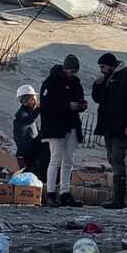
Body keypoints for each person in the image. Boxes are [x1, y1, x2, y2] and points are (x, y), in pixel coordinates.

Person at [91, 52, 127, 210]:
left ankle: (120, 200)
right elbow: (98, 99)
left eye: (103, 67)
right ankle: (117, 198)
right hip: (108, 127)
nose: (102, 70)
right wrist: (98, 85)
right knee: (112, 159)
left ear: (111, 65)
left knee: (117, 159)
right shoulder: (108, 78)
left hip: (121, 127)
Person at [40, 54, 87, 207]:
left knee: (68, 161)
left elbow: (80, 97)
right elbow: (46, 104)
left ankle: (65, 192)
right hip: (55, 126)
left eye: (75, 72)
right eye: (71, 71)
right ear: (65, 68)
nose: (72, 74)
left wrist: (81, 105)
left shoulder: (75, 83)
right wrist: (67, 106)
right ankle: (51, 193)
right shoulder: (52, 82)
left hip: (71, 125)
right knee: (55, 159)